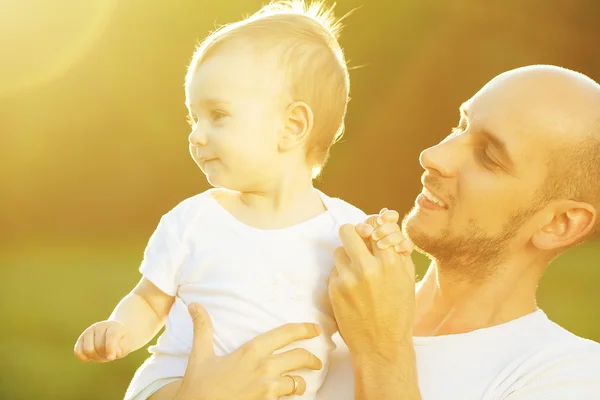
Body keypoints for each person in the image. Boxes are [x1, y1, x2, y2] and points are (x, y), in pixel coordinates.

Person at [168, 64, 600, 400]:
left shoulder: (566, 376)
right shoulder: (307, 308)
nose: (433, 155)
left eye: (488, 155)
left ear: (559, 224)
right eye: (460, 126)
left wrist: (380, 350)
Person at [73, 1, 410, 399]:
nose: (196, 135)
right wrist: (120, 330)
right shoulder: (194, 220)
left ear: (292, 126)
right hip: (178, 385)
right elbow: (149, 300)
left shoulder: (345, 231)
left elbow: (374, 314)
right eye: (193, 117)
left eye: (217, 114)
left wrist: (387, 251)